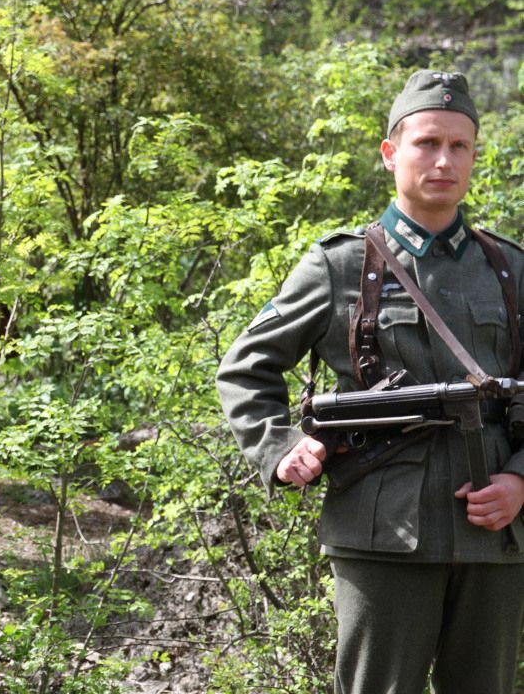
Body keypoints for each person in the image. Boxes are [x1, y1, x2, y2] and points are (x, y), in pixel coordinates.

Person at [216, 70, 524, 693]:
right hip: (383, 533)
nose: (444, 161)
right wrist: (280, 447)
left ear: (474, 156)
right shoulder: (340, 264)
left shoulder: (509, 268)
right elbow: (247, 367)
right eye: (427, 143)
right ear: (390, 153)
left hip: (494, 536)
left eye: (459, 146)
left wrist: (521, 478)